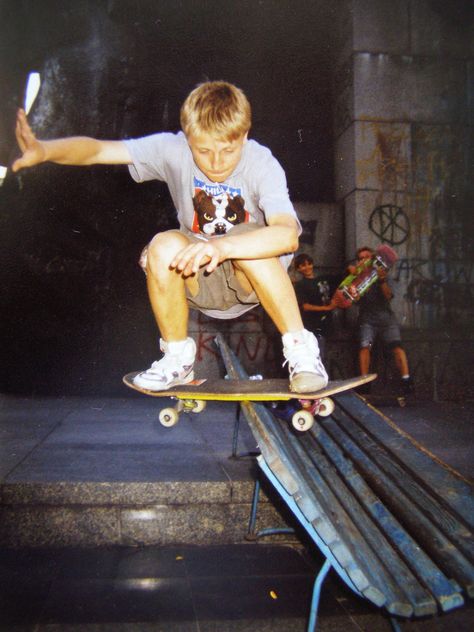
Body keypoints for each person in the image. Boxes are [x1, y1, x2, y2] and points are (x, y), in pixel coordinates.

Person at [13, 81, 328, 393]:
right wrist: (45, 150)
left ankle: (301, 351)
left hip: (252, 280)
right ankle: (177, 358)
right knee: (162, 245)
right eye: (203, 151)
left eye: (228, 151)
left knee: (248, 235)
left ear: (244, 136)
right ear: (188, 138)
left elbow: (287, 235)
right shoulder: (172, 149)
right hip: (200, 279)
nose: (216, 163)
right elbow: (99, 150)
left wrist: (224, 245)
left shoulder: (261, 162)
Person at [352, 246, 414, 394]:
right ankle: (364, 381)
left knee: (397, 347)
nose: (364, 260)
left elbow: (388, 296)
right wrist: (357, 277)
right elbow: (354, 300)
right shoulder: (357, 278)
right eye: (361, 258)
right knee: (365, 346)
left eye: (367, 257)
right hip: (367, 318)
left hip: (386, 317)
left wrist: (381, 280)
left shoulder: (383, 274)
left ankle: (406, 379)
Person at [293, 253, 337, 363]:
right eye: (303, 265)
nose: (307, 267)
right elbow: (305, 306)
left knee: (325, 355)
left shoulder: (323, 279)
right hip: (313, 325)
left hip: (328, 323)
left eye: (309, 264)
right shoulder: (300, 285)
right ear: (298, 269)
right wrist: (326, 308)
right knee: (318, 355)